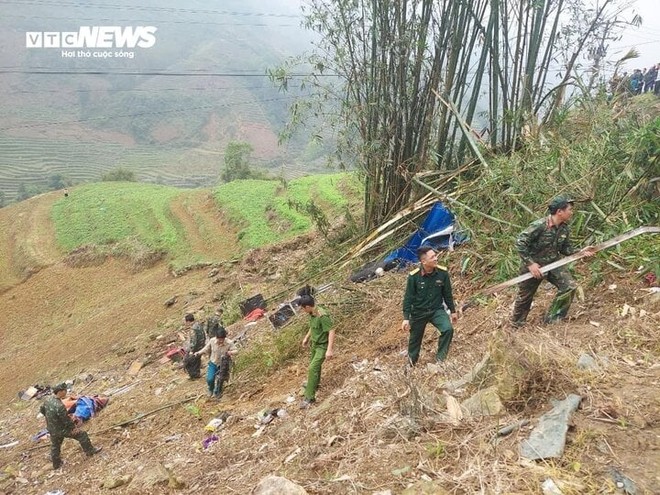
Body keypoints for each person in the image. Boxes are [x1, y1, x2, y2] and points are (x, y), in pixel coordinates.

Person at [511, 195, 596, 326]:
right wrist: (530, 264)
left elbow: (566, 249)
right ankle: (516, 325)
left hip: (554, 264)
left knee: (569, 287)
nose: (571, 212)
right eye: (569, 209)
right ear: (559, 212)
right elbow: (519, 242)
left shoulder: (564, 229)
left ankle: (553, 319)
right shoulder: (539, 226)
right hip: (534, 266)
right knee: (525, 298)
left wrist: (582, 251)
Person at [401, 246, 458, 366]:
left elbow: (447, 294)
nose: (436, 258)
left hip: (436, 310)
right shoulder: (414, 277)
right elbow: (408, 298)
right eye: (432, 257)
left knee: (448, 329)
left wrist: (453, 311)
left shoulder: (442, 273)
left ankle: (440, 359)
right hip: (418, 312)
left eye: (435, 256)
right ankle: (411, 364)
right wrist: (406, 318)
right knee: (414, 341)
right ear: (424, 261)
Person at [40, 383, 102, 469]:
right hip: (62, 429)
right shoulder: (60, 406)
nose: (66, 392)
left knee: (55, 446)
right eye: (65, 390)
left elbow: (42, 410)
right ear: (60, 392)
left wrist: (50, 418)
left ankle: (56, 464)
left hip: (51, 429)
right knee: (82, 435)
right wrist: (73, 428)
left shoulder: (47, 400)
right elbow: (66, 420)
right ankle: (90, 451)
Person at [299, 295, 334, 409]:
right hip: (314, 345)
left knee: (312, 368)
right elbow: (313, 326)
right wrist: (307, 337)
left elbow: (331, 330)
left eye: (303, 308)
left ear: (308, 306)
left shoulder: (322, 315)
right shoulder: (312, 313)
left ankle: (309, 398)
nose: (302, 311)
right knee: (315, 368)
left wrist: (329, 350)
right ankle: (315, 384)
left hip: (322, 347)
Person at [193, 328, 237, 398]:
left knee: (220, 380)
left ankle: (218, 392)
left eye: (222, 339)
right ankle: (211, 389)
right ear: (216, 338)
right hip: (213, 363)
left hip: (223, 365)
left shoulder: (229, 343)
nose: (221, 341)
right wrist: (198, 353)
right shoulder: (212, 341)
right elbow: (206, 349)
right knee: (210, 379)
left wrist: (230, 352)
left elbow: (236, 350)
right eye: (219, 339)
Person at [183, 313, 205, 379]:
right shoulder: (199, 325)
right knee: (197, 361)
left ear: (188, 321)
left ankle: (193, 375)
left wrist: (191, 350)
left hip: (195, 348)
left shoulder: (193, 329)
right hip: (201, 345)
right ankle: (197, 374)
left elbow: (194, 341)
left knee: (187, 361)